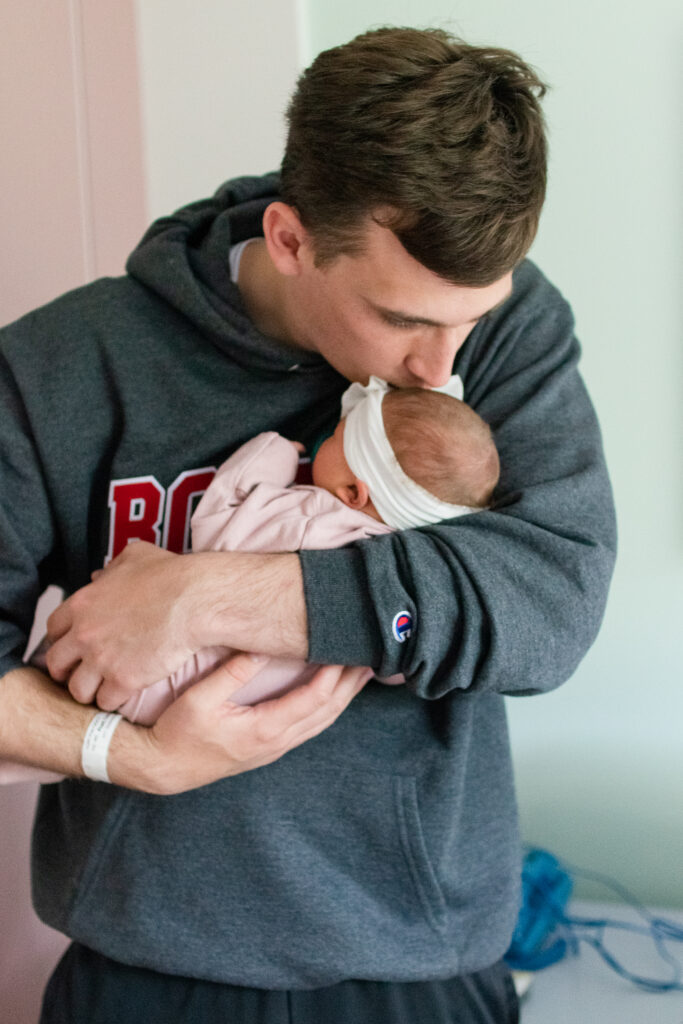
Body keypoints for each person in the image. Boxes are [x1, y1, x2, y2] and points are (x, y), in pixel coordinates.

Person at [0, 25, 616, 1024]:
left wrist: (205, 599)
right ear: (288, 238)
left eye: (472, 318)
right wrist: (134, 752)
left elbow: (552, 603)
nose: (443, 367)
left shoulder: (497, 327)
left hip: (420, 963)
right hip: (144, 970)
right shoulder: (58, 371)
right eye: (404, 320)